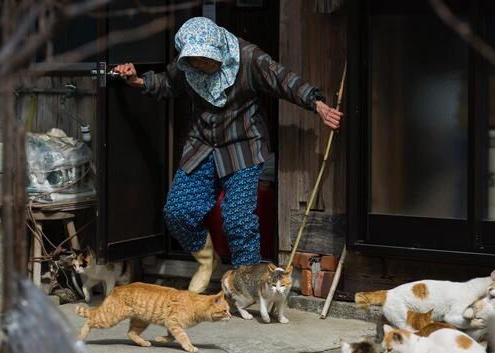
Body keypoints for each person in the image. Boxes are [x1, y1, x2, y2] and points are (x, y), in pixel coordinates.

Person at [115, 17, 342, 293]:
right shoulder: (188, 63)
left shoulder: (248, 58)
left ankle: (248, 285)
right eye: (196, 61)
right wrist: (137, 80)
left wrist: (317, 104)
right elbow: (168, 84)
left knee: (237, 219)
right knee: (177, 212)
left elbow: (283, 80)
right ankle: (206, 259)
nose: (202, 65)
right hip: (202, 145)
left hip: (243, 147)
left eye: (206, 60)